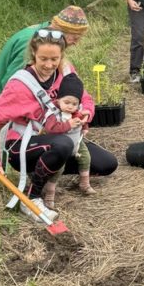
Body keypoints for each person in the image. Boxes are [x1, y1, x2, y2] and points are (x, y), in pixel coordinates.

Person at [0, 30, 116, 221]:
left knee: (107, 164)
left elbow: (85, 98)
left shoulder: (66, 73)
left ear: (62, 56)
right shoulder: (20, 85)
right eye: (43, 58)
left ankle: (47, 170)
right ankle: (32, 196)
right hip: (24, 148)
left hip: (62, 139)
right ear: (33, 54)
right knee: (62, 144)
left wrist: (87, 112)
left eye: (55, 59)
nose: (49, 65)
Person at [0, 5, 90, 149]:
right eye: (75, 37)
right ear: (61, 31)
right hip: (0, 97)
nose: (77, 43)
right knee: (11, 143)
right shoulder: (30, 44)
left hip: (13, 97)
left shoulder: (46, 35)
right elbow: (10, 83)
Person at [40, 72, 96, 208]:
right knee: (59, 167)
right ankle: (50, 192)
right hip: (60, 145)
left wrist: (85, 125)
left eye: (74, 103)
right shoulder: (54, 113)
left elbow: (83, 117)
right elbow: (50, 128)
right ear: (59, 99)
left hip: (76, 142)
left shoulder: (77, 111)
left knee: (86, 157)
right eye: (67, 102)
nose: (70, 106)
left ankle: (84, 183)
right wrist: (68, 125)